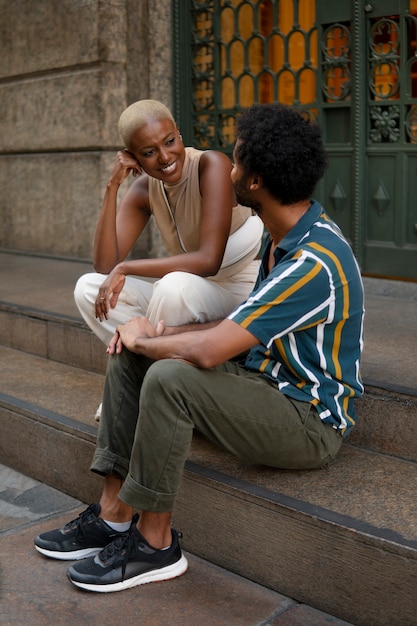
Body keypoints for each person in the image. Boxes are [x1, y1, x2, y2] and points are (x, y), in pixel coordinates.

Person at [34, 103, 365, 594]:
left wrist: (153, 338)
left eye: (235, 161)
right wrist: (144, 338)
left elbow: (211, 350)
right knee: (133, 352)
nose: (226, 168)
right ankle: (113, 515)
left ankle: (154, 544)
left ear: (253, 182)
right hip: (263, 382)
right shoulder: (282, 240)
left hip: (308, 419)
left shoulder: (314, 262)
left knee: (169, 373)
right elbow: (232, 323)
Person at [74, 99, 263, 346]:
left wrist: (125, 269)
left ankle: (144, 350)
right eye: (149, 153)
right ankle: (146, 347)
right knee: (88, 287)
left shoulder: (211, 165)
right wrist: (113, 186)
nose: (165, 157)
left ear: (177, 131)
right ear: (133, 156)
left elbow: (209, 261)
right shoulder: (144, 190)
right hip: (186, 293)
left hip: (236, 290)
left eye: (170, 141)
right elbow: (104, 264)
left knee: (172, 287)